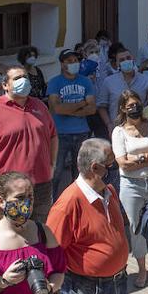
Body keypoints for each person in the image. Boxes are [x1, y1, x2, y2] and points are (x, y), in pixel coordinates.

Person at [47, 138, 131, 294]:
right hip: (87, 290)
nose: (114, 168)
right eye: (110, 164)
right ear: (95, 168)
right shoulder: (68, 203)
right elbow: (52, 252)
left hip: (117, 282)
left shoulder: (109, 192)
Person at [0, 65, 59, 224]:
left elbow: (53, 137)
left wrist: (51, 164)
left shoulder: (40, 107)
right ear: (5, 85)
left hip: (40, 184)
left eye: (25, 77)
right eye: (17, 78)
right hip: (7, 187)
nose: (23, 81)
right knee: (5, 230)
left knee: (39, 229)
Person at [110, 90, 148, 289]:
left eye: (137, 103)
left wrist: (138, 159)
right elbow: (122, 163)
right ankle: (142, 269)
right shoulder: (119, 131)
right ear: (123, 108)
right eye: (130, 105)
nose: (134, 108)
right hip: (131, 185)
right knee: (136, 227)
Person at [47, 50, 97, 199]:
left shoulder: (85, 81)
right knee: (56, 173)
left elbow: (92, 108)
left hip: (82, 132)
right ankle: (53, 204)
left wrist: (67, 109)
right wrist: (81, 103)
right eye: (69, 61)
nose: (73, 63)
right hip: (60, 133)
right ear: (62, 64)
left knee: (81, 173)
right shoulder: (55, 82)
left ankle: (78, 202)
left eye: (75, 60)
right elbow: (57, 108)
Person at [96, 48, 148, 135]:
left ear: (133, 59)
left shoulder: (145, 80)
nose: (126, 61)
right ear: (117, 64)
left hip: (141, 129)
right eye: (122, 60)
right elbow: (101, 106)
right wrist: (109, 124)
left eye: (128, 58)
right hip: (118, 129)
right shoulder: (108, 81)